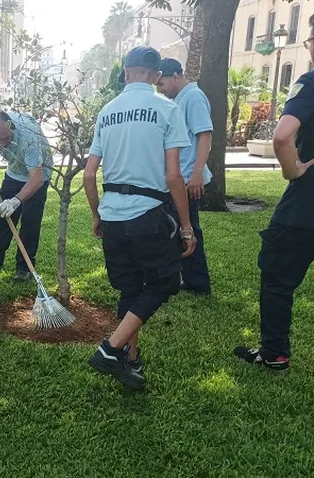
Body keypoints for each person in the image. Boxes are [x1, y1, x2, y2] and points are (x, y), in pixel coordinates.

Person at [234, 4, 314, 398]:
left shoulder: (313, 82)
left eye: (309, 40)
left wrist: (292, 170)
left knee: (276, 274)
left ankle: (274, 352)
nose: (309, 47)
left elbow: (281, 135)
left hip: (307, 206)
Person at [82, 46, 196, 391]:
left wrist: (97, 214)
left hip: (112, 215)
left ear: (126, 72)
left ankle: (130, 360)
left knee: (131, 288)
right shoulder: (167, 108)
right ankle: (111, 349)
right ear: (157, 75)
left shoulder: (107, 111)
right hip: (148, 214)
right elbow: (173, 176)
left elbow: (89, 175)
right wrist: (187, 227)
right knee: (164, 283)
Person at [0, 110, 52, 281]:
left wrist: (15, 201)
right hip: (14, 173)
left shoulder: (28, 138)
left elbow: (36, 179)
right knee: (3, 219)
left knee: (30, 222)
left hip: (39, 175)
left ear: (11, 126)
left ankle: (24, 269)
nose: (2, 143)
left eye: (6, 138)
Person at [155, 57, 213, 295]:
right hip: (180, 176)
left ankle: (197, 282)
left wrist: (197, 173)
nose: (160, 89)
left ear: (175, 76)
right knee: (179, 227)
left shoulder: (194, 97)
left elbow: (205, 135)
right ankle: (189, 278)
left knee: (189, 229)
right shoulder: (180, 98)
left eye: (162, 84)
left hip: (188, 178)